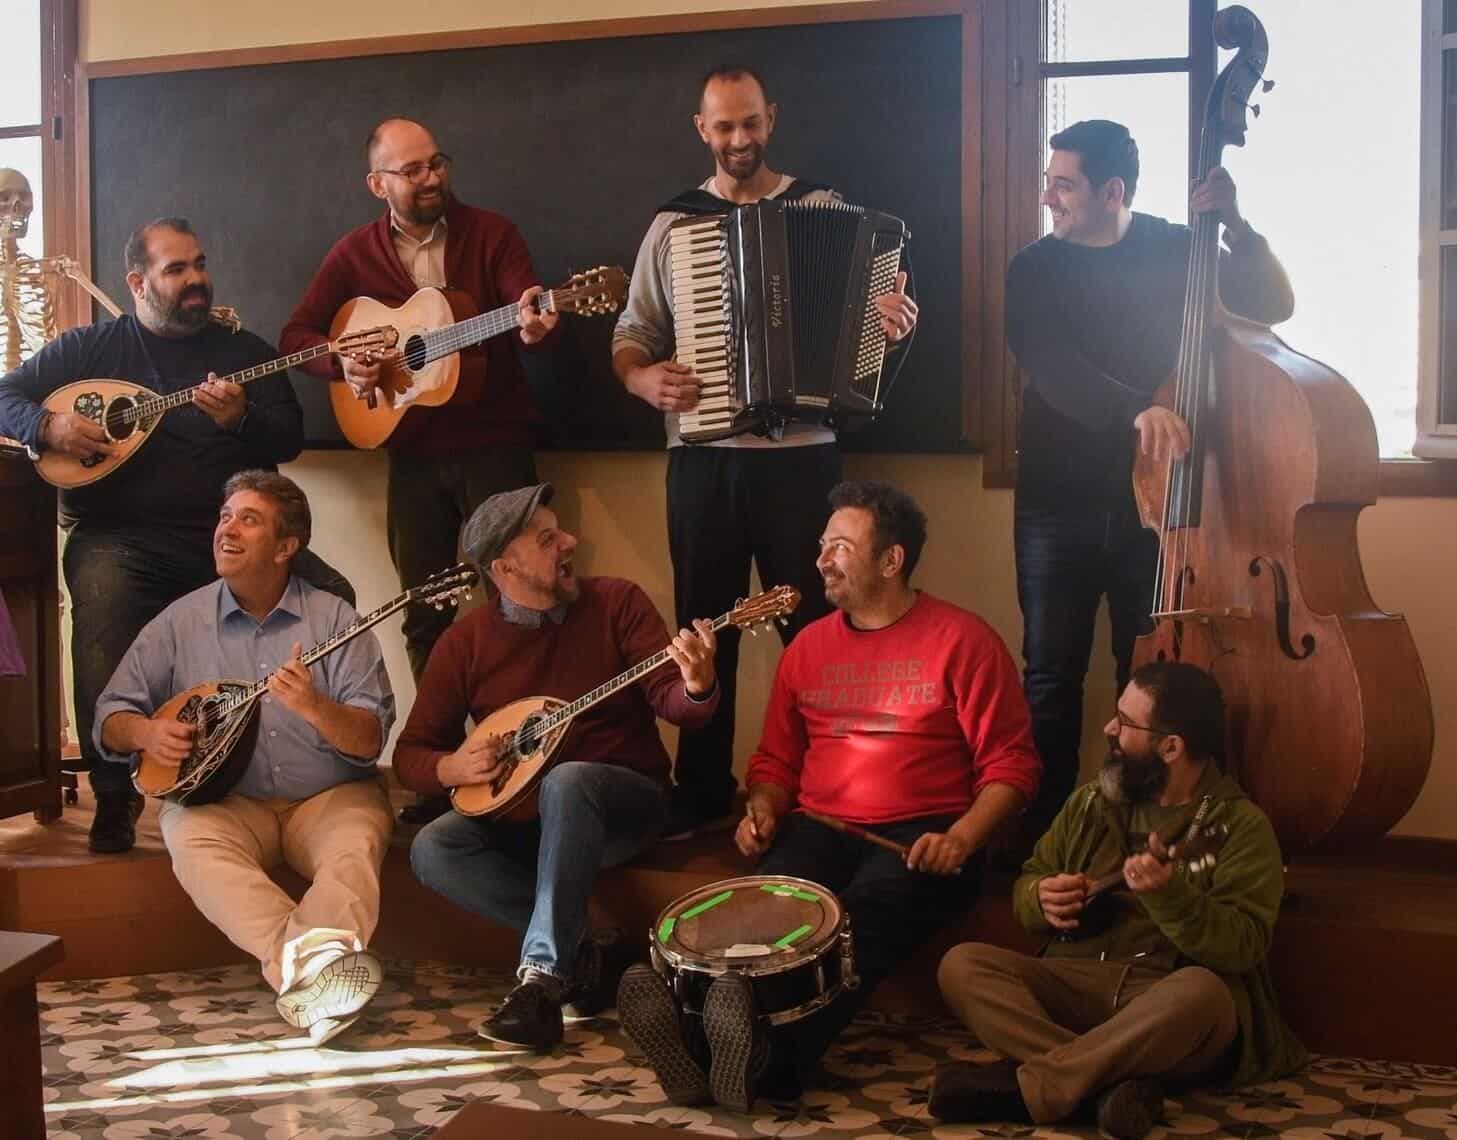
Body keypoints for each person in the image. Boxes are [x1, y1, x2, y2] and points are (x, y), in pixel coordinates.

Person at [618, 480, 1040, 1112]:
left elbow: (1013, 765)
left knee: (855, 923)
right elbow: (776, 762)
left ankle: (751, 1059)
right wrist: (763, 808)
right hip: (817, 826)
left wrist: (961, 838)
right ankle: (717, 1047)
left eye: (841, 546)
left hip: (922, 836)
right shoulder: (809, 647)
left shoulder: (964, 640)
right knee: (759, 915)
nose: (821, 560)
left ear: (891, 560)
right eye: (822, 545)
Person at [612, 65, 919, 840]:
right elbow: (632, 332)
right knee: (702, 628)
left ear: (771, 118)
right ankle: (701, 790)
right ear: (702, 129)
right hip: (705, 460)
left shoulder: (827, 210)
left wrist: (890, 330)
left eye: (751, 122)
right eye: (724, 125)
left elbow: (863, 354)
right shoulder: (674, 224)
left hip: (804, 459)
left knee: (820, 630)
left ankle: (831, 790)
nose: (739, 138)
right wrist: (643, 379)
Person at [0, 217, 354, 854]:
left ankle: (304, 768)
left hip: (229, 539)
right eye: (177, 269)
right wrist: (48, 427)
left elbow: (288, 439)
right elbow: (5, 394)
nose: (197, 279)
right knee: (102, 605)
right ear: (138, 283)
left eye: (200, 264)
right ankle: (115, 793)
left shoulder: (245, 351)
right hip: (120, 539)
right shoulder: (89, 350)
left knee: (333, 595)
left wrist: (242, 418)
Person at [1007, 119, 1295, 857]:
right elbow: (1052, 367)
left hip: (1164, 508)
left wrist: (1236, 226)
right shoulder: (1033, 269)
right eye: (1049, 182)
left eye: (1063, 185)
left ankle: (1142, 840)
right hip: (1055, 504)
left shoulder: (1177, 248)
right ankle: (1049, 845)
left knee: (1146, 681)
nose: (1048, 197)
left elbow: (1272, 303)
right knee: (1051, 678)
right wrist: (1135, 409)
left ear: (1113, 192)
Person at [393, 483, 721, 1050]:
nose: (570, 541)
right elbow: (410, 755)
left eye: (560, 529)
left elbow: (675, 702)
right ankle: (590, 948)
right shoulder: (464, 643)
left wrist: (697, 683)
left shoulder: (617, 602)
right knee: (434, 847)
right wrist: (451, 768)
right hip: (525, 816)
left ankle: (542, 981)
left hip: (623, 806)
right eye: (547, 540)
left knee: (568, 779)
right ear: (505, 568)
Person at [927, 661, 1305, 1139]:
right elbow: (1030, 880)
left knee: (1204, 993)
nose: (1109, 729)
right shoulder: (1090, 802)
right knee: (962, 965)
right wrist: (1041, 898)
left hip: (1163, 998)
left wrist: (1170, 896)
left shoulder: (1243, 826)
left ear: (1171, 747)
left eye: (1125, 722)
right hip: (1077, 980)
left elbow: (1244, 945)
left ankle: (1041, 1084)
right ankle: (1107, 1085)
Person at [94, 471, 396, 1043]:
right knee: (191, 841)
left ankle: (303, 977)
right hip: (225, 801)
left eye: (248, 520)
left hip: (329, 796)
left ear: (286, 547)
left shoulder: (335, 619)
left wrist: (315, 707)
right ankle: (314, 972)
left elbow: (369, 740)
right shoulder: (180, 621)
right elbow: (111, 717)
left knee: (354, 848)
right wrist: (147, 733)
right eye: (225, 516)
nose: (227, 530)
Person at [280, 116, 558, 683]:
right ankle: (437, 735)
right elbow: (295, 336)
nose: (432, 178)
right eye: (413, 171)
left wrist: (535, 322)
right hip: (411, 455)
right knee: (425, 614)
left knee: (524, 602)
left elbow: (525, 301)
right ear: (377, 184)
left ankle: (526, 728)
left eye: (437, 163)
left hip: (495, 447)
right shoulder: (354, 253)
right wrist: (342, 362)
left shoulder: (493, 234)